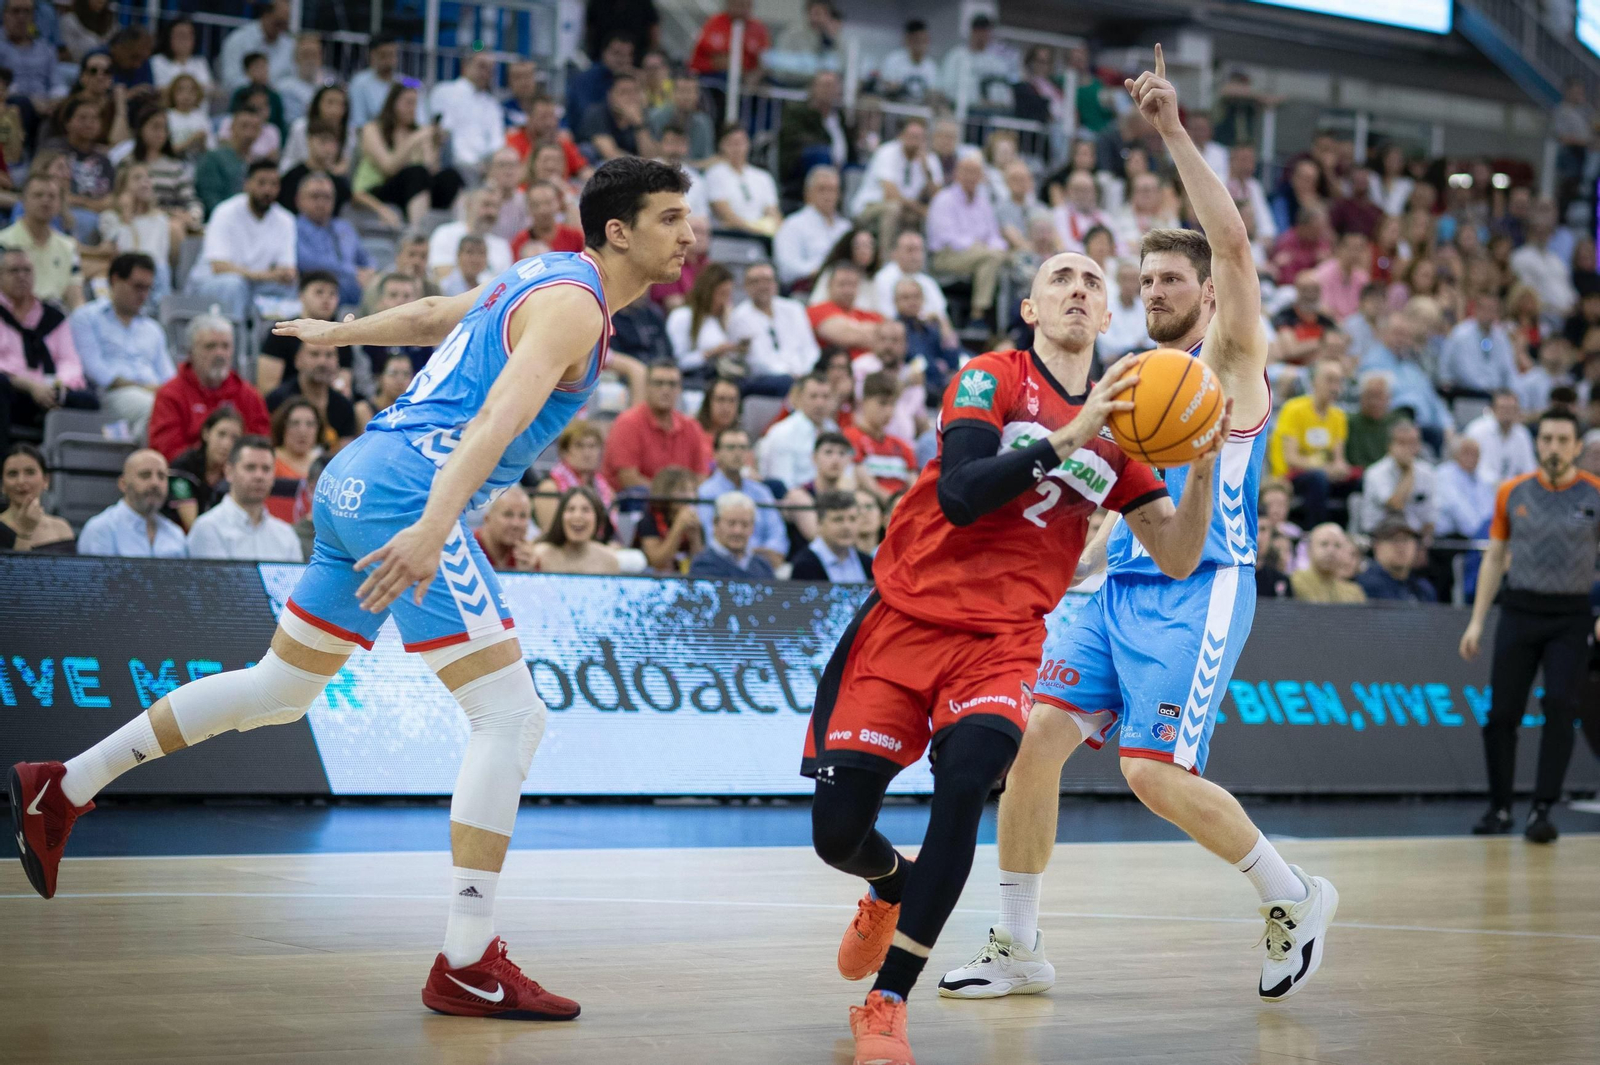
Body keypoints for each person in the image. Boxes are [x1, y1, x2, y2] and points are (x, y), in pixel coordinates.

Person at [11, 158, 698, 1012]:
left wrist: (342, 334)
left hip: (354, 476)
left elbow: (437, 313)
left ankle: (63, 784)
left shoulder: (542, 273)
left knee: (279, 688)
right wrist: (435, 524)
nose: (689, 234)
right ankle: (467, 958)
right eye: (671, 218)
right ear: (618, 231)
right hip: (409, 492)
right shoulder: (577, 305)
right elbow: (495, 419)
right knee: (511, 716)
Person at [942, 51, 1334, 1022]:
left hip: (1203, 583)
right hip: (1117, 582)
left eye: (1170, 278)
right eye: (1146, 278)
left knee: (1150, 772)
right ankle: (1018, 946)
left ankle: (1290, 895)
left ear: (1207, 292)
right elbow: (1116, 496)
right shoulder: (1135, 380)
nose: (1154, 289)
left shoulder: (1230, 358)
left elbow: (1233, 244)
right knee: (1033, 744)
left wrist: (1169, 131)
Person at [810, 183, 1228, 1065]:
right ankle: (889, 883)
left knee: (967, 783)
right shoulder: (991, 377)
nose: (1078, 287)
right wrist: (1070, 434)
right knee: (837, 833)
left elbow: (1179, 554)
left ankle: (888, 1002)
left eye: (1093, 280)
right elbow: (962, 495)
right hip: (906, 616)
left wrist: (1200, 462)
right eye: (1060, 277)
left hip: (1002, 642)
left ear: (1108, 313)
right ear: (1032, 308)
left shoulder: (1127, 432)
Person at [1460, 409, 1600, 843]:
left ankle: (1543, 809)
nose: (1554, 448)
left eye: (1563, 440)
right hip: (1519, 610)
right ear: (1537, 444)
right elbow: (1495, 557)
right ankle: (1499, 808)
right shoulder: (1512, 492)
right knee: (1502, 712)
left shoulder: (1595, 493)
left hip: (1572, 616)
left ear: (1577, 446)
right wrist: (1477, 621)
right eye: (1547, 439)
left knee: (1560, 705)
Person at [68, 251, 170, 438]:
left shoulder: (153, 329)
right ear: (115, 280)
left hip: (152, 394)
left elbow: (168, 376)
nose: (143, 295)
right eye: (138, 287)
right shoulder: (86, 318)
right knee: (153, 409)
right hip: (111, 395)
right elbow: (95, 371)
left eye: (148, 288)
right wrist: (144, 387)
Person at [0, 245, 92, 450]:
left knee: (88, 401)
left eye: (27, 270)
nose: (21, 276)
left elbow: (69, 360)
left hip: (49, 390)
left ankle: (70, 464)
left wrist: (58, 386)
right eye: (14, 271)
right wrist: (29, 385)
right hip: (14, 390)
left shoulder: (53, 317)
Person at [148, 314, 271, 459]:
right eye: (210, 346)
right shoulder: (170, 395)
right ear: (190, 352)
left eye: (225, 346)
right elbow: (167, 451)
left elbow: (260, 446)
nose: (219, 353)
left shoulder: (249, 395)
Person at [186, 160, 297, 320]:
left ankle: (278, 335)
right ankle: (236, 335)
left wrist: (280, 275)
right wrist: (266, 275)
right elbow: (219, 267)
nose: (268, 190)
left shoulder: (286, 219)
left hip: (257, 286)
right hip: (211, 283)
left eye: (274, 184)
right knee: (235, 284)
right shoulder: (225, 212)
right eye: (261, 183)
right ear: (247, 184)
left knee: (290, 287)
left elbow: (287, 271)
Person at [356, 83, 465, 227]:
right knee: (416, 172)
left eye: (415, 104)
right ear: (393, 103)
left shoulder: (418, 132)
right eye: (408, 103)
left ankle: (461, 230)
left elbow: (431, 170)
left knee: (450, 176)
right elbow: (389, 167)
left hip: (413, 190)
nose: (412, 108)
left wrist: (435, 145)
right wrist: (415, 138)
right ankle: (418, 233)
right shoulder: (372, 129)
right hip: (380, 189)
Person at [185, 433, 303, 561]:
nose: (259, 476)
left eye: (266, 469)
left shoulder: (287, 535)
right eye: (250, 467)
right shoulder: (208, 528)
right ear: (229, 472)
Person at [1270, 357, 1356, 525]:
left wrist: (1340, 468)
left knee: (1358, 482)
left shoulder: (1338, 416)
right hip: (1291, 476)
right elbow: (1291, 459)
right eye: (1330, 380)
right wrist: (1325, 468)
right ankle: (1315, 529)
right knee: (1317, 478)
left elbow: (1339, 459)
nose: (1335, 387)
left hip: (1324, 473)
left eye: (1339, 381)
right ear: (1314, 382)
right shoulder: (1294, 409)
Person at [602, 358, 712, 489]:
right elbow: (628, 479)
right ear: (647, 387)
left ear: (679, 389)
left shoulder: (692, 426)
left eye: (672, 384)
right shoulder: (627, 423)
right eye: (659, 383)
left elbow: (701, 476)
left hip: (682, 498)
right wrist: (671, 496)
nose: (665, 389)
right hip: (636, 499)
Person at [926, 153, 1008, 324]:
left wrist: (997, 247)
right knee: (992, 257)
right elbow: (946, 238)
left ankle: (986, 317)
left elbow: (993, 236)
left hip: (979, 255)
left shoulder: (983, 203)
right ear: (957, 174)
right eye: (967, 171)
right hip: (946, 256)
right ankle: (980, 315)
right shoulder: (943, 199)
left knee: (997, 259)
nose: (971, 176)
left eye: (975, 172)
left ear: (981, 176)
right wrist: (981, 248)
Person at [697, 426, 787, 569]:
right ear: (716, 454)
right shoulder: (705, 492)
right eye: (731, 447)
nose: (737, 453)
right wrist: (749, 553)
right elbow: (711, 538)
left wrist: (758, 556)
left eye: (742, 448)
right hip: (719, 566)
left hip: (764, 567)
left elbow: (778, 537)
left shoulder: (762, 492)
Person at [75, 447, 186, 557]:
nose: (155, 483)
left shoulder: (175, 534)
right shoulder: (101, 530)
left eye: (161, 476)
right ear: (123, 484)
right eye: (145, 475)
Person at [0, 173, 84, 309]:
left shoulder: (68, 246)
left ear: (59, 203)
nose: (45, 201)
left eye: (52, 196)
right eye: (38, 195)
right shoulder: (3, 242)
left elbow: (75, 297)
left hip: (56, 315)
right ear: (23, 201)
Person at [850, 118, 939, 246]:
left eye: (919, 137)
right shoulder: (886, 152)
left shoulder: (929, 159)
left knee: (933, 216)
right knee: (893, 209)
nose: (914, 141)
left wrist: (927, 172)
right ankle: (885, 257)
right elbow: (891, 196)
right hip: (870, 206)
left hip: (906, 210)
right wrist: (922, 210)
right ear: (901, 136)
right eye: (911, 136)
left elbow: (939, 198)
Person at [729, 260, 818, 385]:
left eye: (767, 280)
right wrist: (789, 375)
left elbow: (810, 349)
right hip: (766, 379)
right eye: (755, 281)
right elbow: (756, 361)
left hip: (802, 375)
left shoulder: (794, 309)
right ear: (746, 286)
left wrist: (804, 373)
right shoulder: (739, 316)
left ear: (776, 283)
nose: (762, 286)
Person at [294, 172, 372, 306]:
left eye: (327, 197)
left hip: (355, 287)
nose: (321, 203)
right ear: (298, 200)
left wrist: (371, 271)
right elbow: (308, 262)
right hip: (318, 290)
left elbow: (365, 258)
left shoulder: (345, 227)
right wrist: (352, 272)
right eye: (314, 196)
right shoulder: (292, 227)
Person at [776, 70, 854, 200]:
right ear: (813, 88)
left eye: (833, 86)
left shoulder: (839, 116)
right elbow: (794, 138)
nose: (829, 90)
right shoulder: (797, 111)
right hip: (801, 165)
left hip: (840, 166)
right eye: (825, 85)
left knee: (861, 168)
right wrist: (828, 150)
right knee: (821, 154)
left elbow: (851, 148)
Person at [265, 342, 357, 450]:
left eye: (329, 355)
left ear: (337, 361)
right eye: (314, 354)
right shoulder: (278, 400)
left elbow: (346, 451)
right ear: (297, 360)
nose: (322, 362)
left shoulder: (344, 406)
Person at [427, 52, 505, 177]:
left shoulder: (493, 105)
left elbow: (497, 143)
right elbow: (442, 131)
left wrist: (488, 166)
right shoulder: (444, 91)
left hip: (484, 169)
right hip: (451, 166)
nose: (486, 73)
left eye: (490, 70)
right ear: (465, 66)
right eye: (481, 66)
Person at [758, 371, 838, 491]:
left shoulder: (833, 429)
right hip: (796, 498)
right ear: (799, 398)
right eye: (813, 396)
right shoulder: (783, 433)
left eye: (825, 397)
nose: (820, 403)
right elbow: (784, 486)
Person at [165, 405, 241, 530]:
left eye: (234, 438)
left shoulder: (237, 474)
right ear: (206, 433)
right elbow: (193, 526)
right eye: (221, 434)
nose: (226, 444)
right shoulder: (182, 467)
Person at [532, 420, 613, 534]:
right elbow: (550, 534)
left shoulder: (605, 488)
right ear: (564, 452)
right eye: (579, 446)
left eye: (592, 446)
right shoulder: (550, 488)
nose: (587, 453)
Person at [845, 371, 917, 497]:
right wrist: (894, 503)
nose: (889, 411)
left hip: (901, 504)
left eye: (892, 404)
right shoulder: (850, 438)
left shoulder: (902, 446)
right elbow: (865, 483)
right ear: (864, 402)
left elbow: (915, 486)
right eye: (882, 403)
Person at [775, 166, 850, 287]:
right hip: (808, 287)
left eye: (833, 189)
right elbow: (786, 269)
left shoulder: (846, 227)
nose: (828, 195)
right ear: (807, 193)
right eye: (822, 189)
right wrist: (821, 271)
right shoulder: (792, 225)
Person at [1358, 420, 1435, 536]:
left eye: (1412, 442)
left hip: (1414, 537)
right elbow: (1395, 506)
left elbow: (1431, 517)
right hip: (1379, 536)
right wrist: (1409, 472)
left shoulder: (1428, 472)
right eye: (1402, 443)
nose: (1408, 448)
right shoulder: (1375, 473)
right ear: (1390, 445)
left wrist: (1424, 541)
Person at [665, 262, 740, 380]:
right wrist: (710, 353)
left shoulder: (722, 318)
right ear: (707, 292)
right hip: (694, 378)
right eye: (722, 294)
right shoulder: (682, 316)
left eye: (728, 294)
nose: (725, 301)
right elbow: (676, 361)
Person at [782, 429, 858, 541]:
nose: (836, 459)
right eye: (828, 452)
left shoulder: (852, 493)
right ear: (814, 458)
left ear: (848, 460)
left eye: (842, 453)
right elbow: (817, 537)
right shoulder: (799, 495)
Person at [706, 126, 779, 238]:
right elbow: (725, 214)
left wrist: (774, 228)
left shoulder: (763, 177)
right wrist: (754, 230)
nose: (737, 148)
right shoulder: (715, 173)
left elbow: (773, 212)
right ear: (722, 145)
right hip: (730, 237)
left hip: (762, 237)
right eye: (732, 143)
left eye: (741, 143)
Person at [1439, 291, 1516, 397]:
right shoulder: (1461, 335)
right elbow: (1465, 374)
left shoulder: (1501, 337)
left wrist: (1512, 392)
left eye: (1493, 310)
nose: (1489, 314)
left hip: (1495, 395)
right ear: (1476, 310)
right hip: (1466, 394)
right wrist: (1491, 393)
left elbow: (1509, 370)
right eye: (1485, 309)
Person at [0, 443, 74, 551]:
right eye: (12, 474)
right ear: (2, 485)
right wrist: (25, 534)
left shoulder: (61, 528)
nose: (21, 481)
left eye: (30, 472)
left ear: (46, 480)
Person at [532, 485, 620, 574]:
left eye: (585, 510)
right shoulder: (539, 555)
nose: (577, 516)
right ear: (560, 516)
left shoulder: (609, 560)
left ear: (597, 517)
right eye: (571, 509)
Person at [427, 188, 511, 281]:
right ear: (469, 205)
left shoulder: (502, 246)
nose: (492, 212)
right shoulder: (445, 234)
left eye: (496, 207)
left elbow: (507, 283)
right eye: (486, 205)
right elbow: (441, 274)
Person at [688, 490, 776, 578]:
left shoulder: (763, 567)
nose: (738, 531)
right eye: (731, 523)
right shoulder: (702, 565)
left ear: (753, 527)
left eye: (745, 525)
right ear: (715, 523)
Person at [791, 489, 872, 582]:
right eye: (838, 519)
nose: (847, 526)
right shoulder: (804, 565)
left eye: (852, 519)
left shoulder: (868, 563)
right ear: (820, 523)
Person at [635, 464, 704, 572]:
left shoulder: (694, 519)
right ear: (665, 491)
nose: (690, 496)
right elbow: (656, 561)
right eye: (682, 490)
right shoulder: (649, 519)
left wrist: (695, 538)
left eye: (693, 490)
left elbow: (701, 564)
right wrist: (678, 527)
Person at [939, 14, 1013, 113]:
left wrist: (991, 103)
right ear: (972, 31)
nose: (981, 34)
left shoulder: (998, 63)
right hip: (960, 109)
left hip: (991, 112)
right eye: (978, 30)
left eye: (985, 30)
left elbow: (1005, 96)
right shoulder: (956, 56)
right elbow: (945, 89)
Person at [217, 0, 294, 95]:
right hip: (244, 98)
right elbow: (230, 80)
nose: (281, 29)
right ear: (265, 15)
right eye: (278, 23)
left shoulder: (289, 45)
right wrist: (257, 85)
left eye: (285, 24)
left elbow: (293, 79)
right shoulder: (238, 40)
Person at [1465, 390, 1537, 486]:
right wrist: (1500, 484)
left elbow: (1529, 468)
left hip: (1513, 489)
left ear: (1518, 410)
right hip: (1480, 487)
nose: (1507, 412)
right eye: (1503, 408)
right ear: (1492, 409)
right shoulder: (1476, 430)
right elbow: (1472, 468)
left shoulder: (1522, 434)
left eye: (1511, 408)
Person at [1355, 519, 1435, 602]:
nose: (1401, 546)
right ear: (1377, 546)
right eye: (1393, 539)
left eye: (1406, 539)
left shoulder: (1423, 589)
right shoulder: (1364, 586)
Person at [688, 0, 770, 80]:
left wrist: (754, 76)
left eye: (746, 4)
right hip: (713, 74)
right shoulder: (715, 23)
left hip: (746, 76)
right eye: (738, 4)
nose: (741, 9)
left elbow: (763, 61)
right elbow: (718, 60)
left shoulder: (758, 28)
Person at [1289, 522, 1366, 603]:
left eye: (1337, 545)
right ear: (1309, 550)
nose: (1331, 551)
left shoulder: (1354, 593)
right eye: (1324, 544)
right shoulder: (1294, 582)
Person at [512, 180, 585, 259]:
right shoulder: (520, 242)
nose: (543, 210)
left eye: (548, 203)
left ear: (558, 203)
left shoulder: (576, 237)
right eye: (536, 205)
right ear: (528, 207)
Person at [473, 483, 537, 571]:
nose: (516, 524)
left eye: (523, 516)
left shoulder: (527, 556)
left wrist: (526, 573)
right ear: (487, 519)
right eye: (508, 514)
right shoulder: (466, 548)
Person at [877, 20, 939, 105]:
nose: (921, 45)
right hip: (896, 106)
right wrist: (892, 87)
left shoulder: (931, 66)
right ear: (908, 40)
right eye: (917, 40)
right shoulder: (894, 60)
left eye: (924, 40)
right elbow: (885, 85)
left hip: (920, 109)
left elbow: (933, 91)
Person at [348, 32, 398, 131]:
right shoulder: (359, 83)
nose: (388, 61)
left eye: (392, 55)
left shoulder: (403, 82)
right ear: (372, 55)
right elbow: (358, 122)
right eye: (383, 55)